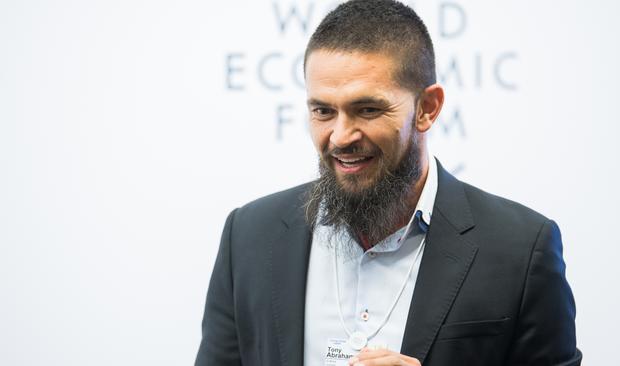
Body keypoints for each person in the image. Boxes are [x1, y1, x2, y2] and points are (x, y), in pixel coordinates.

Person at [195, 0, 582, 365]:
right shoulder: (248, 235)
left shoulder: (520, 249)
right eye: (323, 111)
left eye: (367, 109)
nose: (341, 136)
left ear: (427, 109)